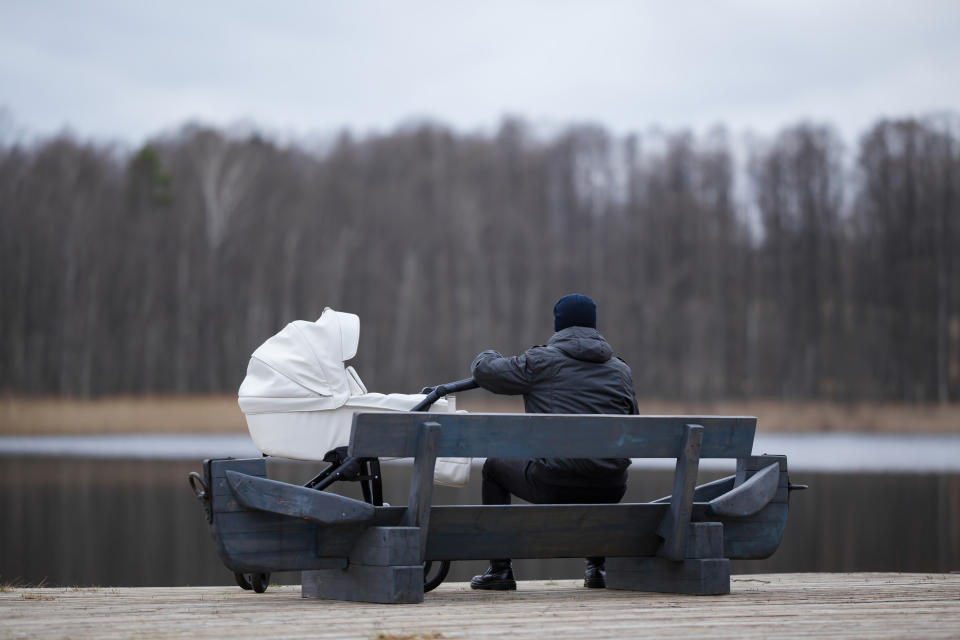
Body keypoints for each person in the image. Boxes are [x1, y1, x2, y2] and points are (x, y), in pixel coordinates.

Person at [468, 293, 638, 591]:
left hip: (554, 483)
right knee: (596, 467)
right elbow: (633, 423)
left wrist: (487, 354)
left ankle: (500, 570)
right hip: (610, 487)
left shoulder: (541, 362)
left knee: (493, 467)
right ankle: (597, 568)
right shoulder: (620, 371)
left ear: (558, 325)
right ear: (593, 326)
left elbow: (486, 373)